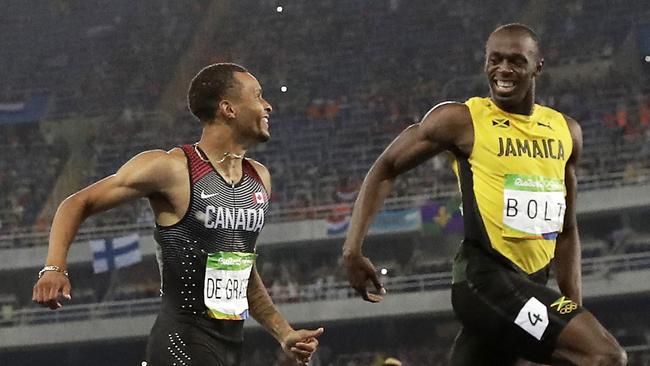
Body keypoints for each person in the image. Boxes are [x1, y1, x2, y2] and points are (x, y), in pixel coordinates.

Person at [342, 24, 627, 365]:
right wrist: (352, 250)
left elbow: (566, 230)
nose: (503, 69)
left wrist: (571, 305)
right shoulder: (461, 120)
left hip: (530, 284)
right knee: (606, 356)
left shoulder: (566, 132)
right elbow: (386, 166)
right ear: (485, 64)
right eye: (496, 59)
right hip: (484, 280)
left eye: (516, 61)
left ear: (538, 66)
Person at [32, 63, 323, 366]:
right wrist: (54, 267)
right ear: (228, 108)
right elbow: (77, 203)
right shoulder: (173, 168)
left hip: (228, 347)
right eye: (258, 96)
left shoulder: (258, 178)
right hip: (181, 341)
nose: (268, 105)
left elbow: (241, 269)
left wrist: (284, 332)